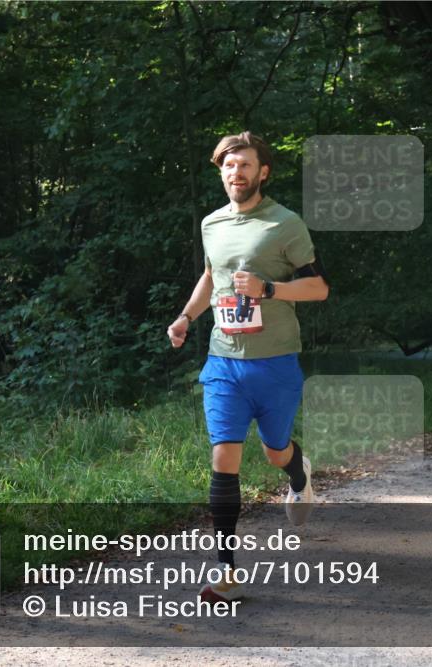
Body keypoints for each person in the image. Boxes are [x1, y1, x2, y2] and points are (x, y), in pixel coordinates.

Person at [167, 131, 329, 604]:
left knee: (276, 451)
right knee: (224, 457)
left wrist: (269, 289)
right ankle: (227, 571)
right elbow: (210, 277)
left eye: (245, 165)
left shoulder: (285, 224)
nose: (236, 173)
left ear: (263, 172)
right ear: (221, 172)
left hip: (275, 361)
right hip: (224, 361)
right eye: (229, 166)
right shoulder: (211, 223)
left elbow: (318, 288)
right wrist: (186, 317)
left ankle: (298, 474)